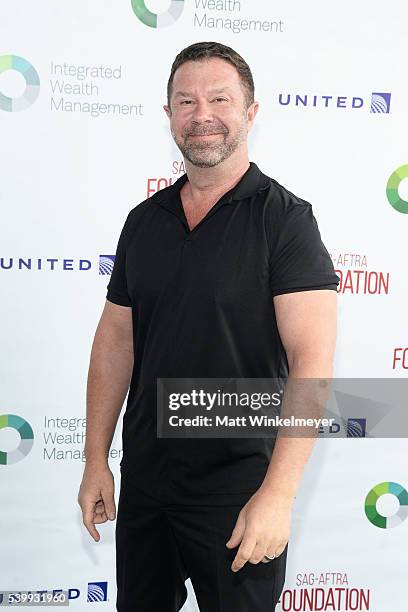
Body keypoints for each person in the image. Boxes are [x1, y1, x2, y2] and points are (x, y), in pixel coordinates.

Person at [78, 41, 339, 611]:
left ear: (250, 112)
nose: (202, 114)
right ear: (168, 114)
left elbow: (312, 365)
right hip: (147, 486)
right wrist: (96, 459)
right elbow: (116, 341)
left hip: (240, 492)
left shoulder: (286, 220)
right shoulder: (143, 222)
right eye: (185, 100)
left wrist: (278, 496)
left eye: (219, 98)